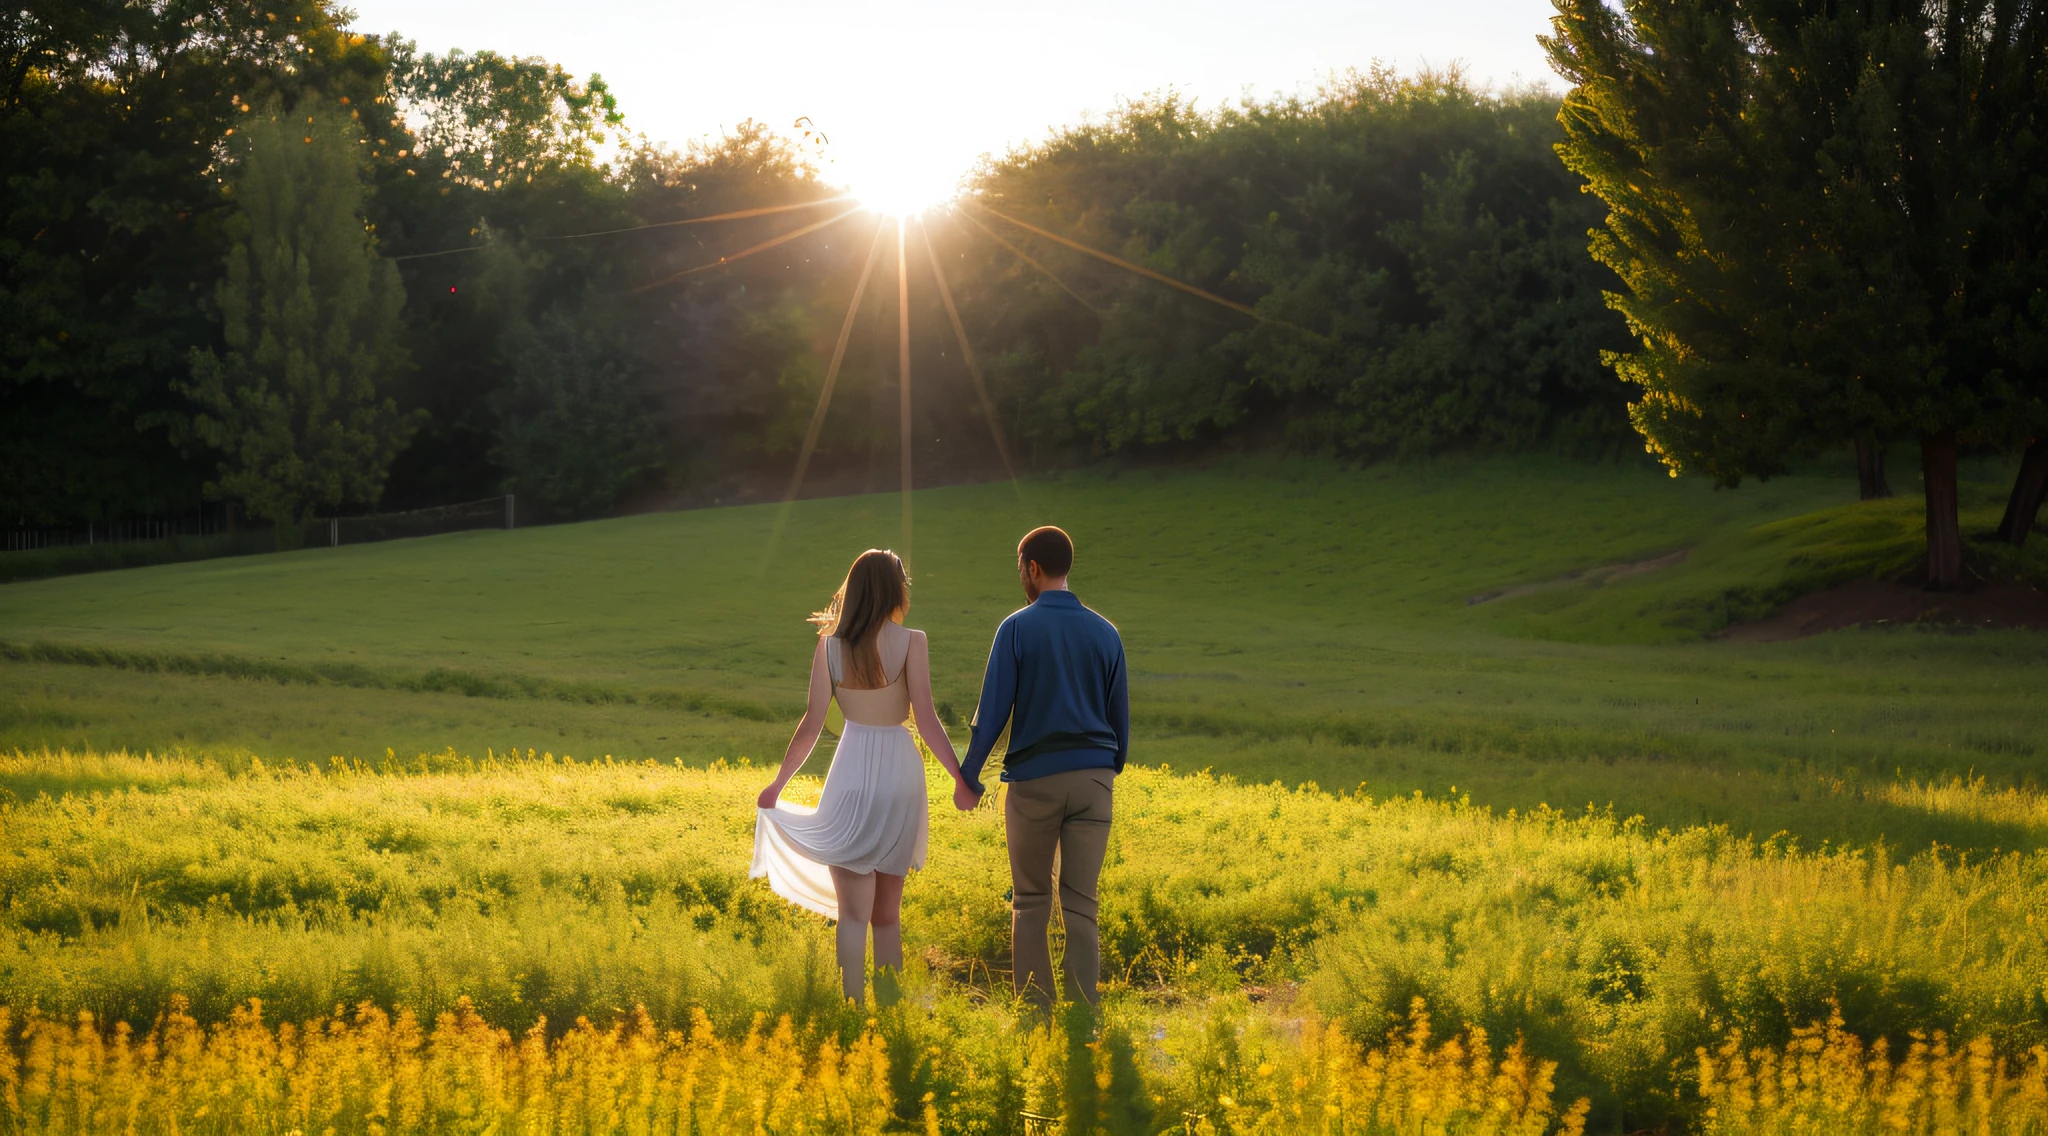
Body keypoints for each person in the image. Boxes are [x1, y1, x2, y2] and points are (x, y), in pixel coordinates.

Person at [752, 548, 979, 1003]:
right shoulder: (912, 641)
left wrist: (778, 785)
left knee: (853, 915)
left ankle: (852, 1010)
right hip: (900, 774)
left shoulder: (830, 646)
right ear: (896, 590)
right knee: (887, 917)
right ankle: (891, 1010)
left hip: (851, 771)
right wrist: (959, 777)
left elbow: (812, 723)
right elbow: (928, 719)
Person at [958, 526, 1129, 1007]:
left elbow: (991, 715)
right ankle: (1082, 1016)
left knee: (1032, 901)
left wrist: (969, 778)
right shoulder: (1106, 632)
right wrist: (1106, 768)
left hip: (1035, 783)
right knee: (1082, 903)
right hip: (1095, 778)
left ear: (1033, 569)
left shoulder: (1016, 628)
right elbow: (1120, 720)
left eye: (1021, 570)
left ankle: (1035, 1015)